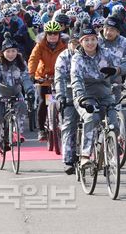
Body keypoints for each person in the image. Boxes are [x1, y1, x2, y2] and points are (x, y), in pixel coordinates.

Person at [71, 24, 126, 167]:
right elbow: (76, 80)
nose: (90, 43)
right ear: (81, 42)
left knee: (114, 123)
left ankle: (110, 143)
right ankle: (85, 155)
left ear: (97, 40)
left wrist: (117, 70)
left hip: (105, 93)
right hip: (85, 95)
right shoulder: (77, 58)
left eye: (93, 39)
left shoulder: (105, 53)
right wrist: (81, 98)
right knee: (92, 118)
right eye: (86, 40)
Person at [0, 33, 36, 159]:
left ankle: (17, 132)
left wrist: (30, 91)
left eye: (13, 51)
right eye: (8, 51)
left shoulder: (20, 62)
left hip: (15, 92)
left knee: (22, 106)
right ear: (3, 52)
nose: (11, 54)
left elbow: (25, 78)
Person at [28, 21, 68, 142]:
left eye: (55, 33)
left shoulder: (64, 45)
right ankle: (41, 130)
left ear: (59, 34)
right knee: (43, 102)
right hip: (43, 77)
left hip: (59, 76)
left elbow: (71, 58)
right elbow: (33, 59)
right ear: (45, 34)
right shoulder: (40, 45)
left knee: (65, 102)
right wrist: (31, 74)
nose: (52, 36)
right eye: (49, 33)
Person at [54, 32, 81, 174]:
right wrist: (61, 96)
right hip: (69, 93)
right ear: (68, 43)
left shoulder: (89, 54)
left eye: (78, 43)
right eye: (73, 43)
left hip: (87, 92)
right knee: (69, 125)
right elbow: (60, 78)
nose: (76, 46)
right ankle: (69, 158)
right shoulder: (64, 56)